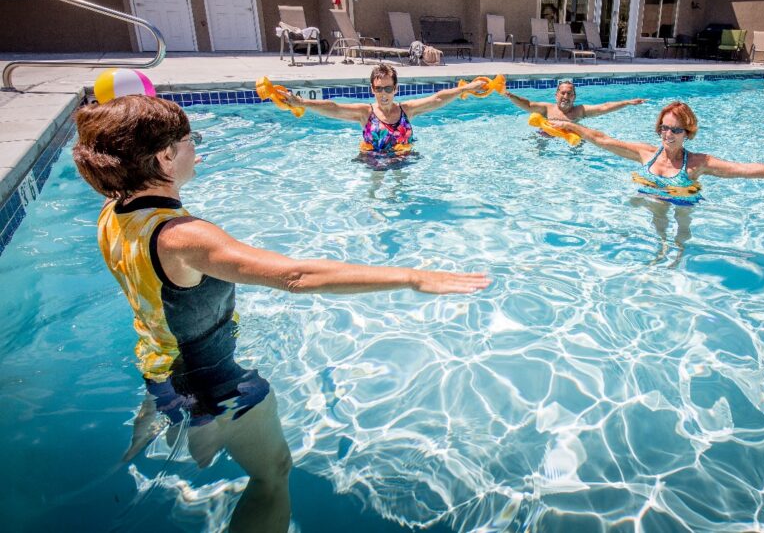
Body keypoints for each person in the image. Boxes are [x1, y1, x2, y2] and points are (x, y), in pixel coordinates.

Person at [72, 96, 489, 533]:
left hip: (158, 367)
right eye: (190, 140)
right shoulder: (182, 237)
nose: (197, 147)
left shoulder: (112, 213)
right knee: (274, 474)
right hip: (215, 383)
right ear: (165, 156)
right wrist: (411, 277)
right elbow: (295, 276)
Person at [555, 101, 764, 256]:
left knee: (681, 232)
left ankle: (677, 253)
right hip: (653, 197)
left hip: (683, 201)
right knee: (650, 216)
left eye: (675, 130)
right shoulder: (645, 153)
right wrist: (571, 126)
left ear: (687, 133)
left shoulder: (698, 164)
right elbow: (603, 140)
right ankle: (660, 251)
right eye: (664, 127)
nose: (667, 134)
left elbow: (746, 169)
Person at [281, 64, 487, 155]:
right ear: (372, 89)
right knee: (375, 190)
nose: (383, 93)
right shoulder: (365, 113)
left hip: (403, 160)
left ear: (396, 88)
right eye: (379, 88)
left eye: (388, 88)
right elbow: (334, 108)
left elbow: (438, 98)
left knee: (399, 192)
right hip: (373, 161)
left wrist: (467, 88)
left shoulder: (407, 110)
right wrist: (302, 103)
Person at [504, 79, 644, 123]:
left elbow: (604, 107)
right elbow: (528, 104)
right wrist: (511, 96)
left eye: (569, 94)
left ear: (574, 97)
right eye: (562, 93)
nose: (565, 96)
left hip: (572, 139)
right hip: (547, 136)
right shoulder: (547, 108)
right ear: (556, 95)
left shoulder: (580, 110)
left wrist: (626, 102)